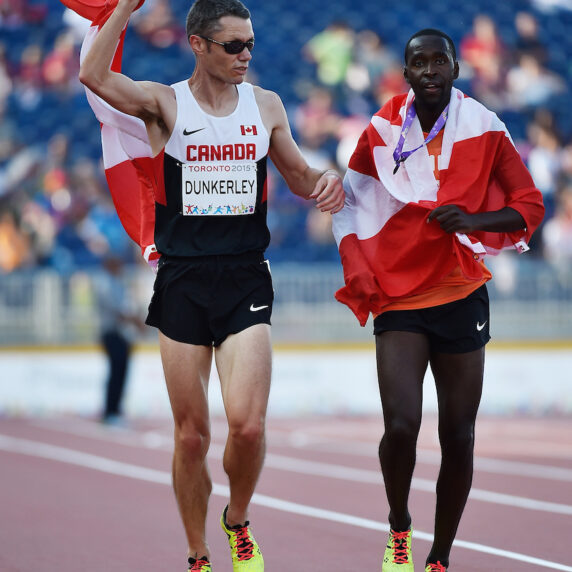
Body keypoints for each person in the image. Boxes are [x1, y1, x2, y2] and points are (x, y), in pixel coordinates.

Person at [78, 1, 344, 571]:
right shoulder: (164, 102)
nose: (246, 55)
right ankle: (198, 552)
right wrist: (125, 6)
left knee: (247, 427)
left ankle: (238, 521)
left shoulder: (265, 105)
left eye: (250, 44)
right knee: (192, 437)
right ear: (197, 45)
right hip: (182, 279)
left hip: (245, 274)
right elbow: (93, 76)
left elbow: (297, 175)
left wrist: (327, 182)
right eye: (233, 46)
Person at [332, 29, 544, 572]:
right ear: (405, 73)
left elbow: (528, 206)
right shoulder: (381, 128)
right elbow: (351, 201)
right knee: (401, 425)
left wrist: (473, 221)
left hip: (460, 292)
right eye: (418, 62)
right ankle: (399, 525)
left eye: (439, 60)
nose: (429, 70)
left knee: (459, 433)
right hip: (399, 294)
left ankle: (440, 556)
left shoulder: (484, 127)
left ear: (455, 67)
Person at [94, 254, 146, 426]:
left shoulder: (119, 283)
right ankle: (110, 412)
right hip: (112, 333)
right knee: (116, 373)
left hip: (122, 335)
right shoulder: (105, 283)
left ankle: (116, 409)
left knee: (121, 373)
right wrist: (136, 321)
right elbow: (117, 309)